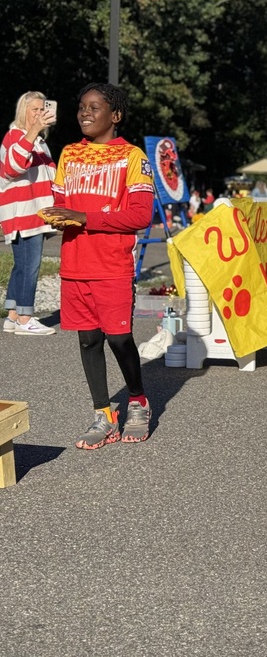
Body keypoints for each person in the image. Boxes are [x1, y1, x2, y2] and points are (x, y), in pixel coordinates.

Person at [41, 83, 155, 449]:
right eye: (81, 107)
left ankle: (138, 401)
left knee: (119, 339)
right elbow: (61, 202)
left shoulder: (133, 157)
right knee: (88, 341)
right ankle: (103, 414)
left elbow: (140, 214)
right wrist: (57, 218)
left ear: (115, 115)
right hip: (75, 265)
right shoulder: (69, 154)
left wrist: (82, 216)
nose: (84, 113)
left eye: (94, 107)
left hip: (112, 266)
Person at [1, 92, 58, 336]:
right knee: (30, 265)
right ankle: (26, 318)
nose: (38, 113)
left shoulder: (39, 141)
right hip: (23, 212)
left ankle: (13, 316)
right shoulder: (16, 136)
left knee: (22, 265)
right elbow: (12, 168)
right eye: (33, 109)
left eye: (41, 108)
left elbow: (51, 175)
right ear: (22, 111)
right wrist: (33, 131)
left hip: (36, 212)